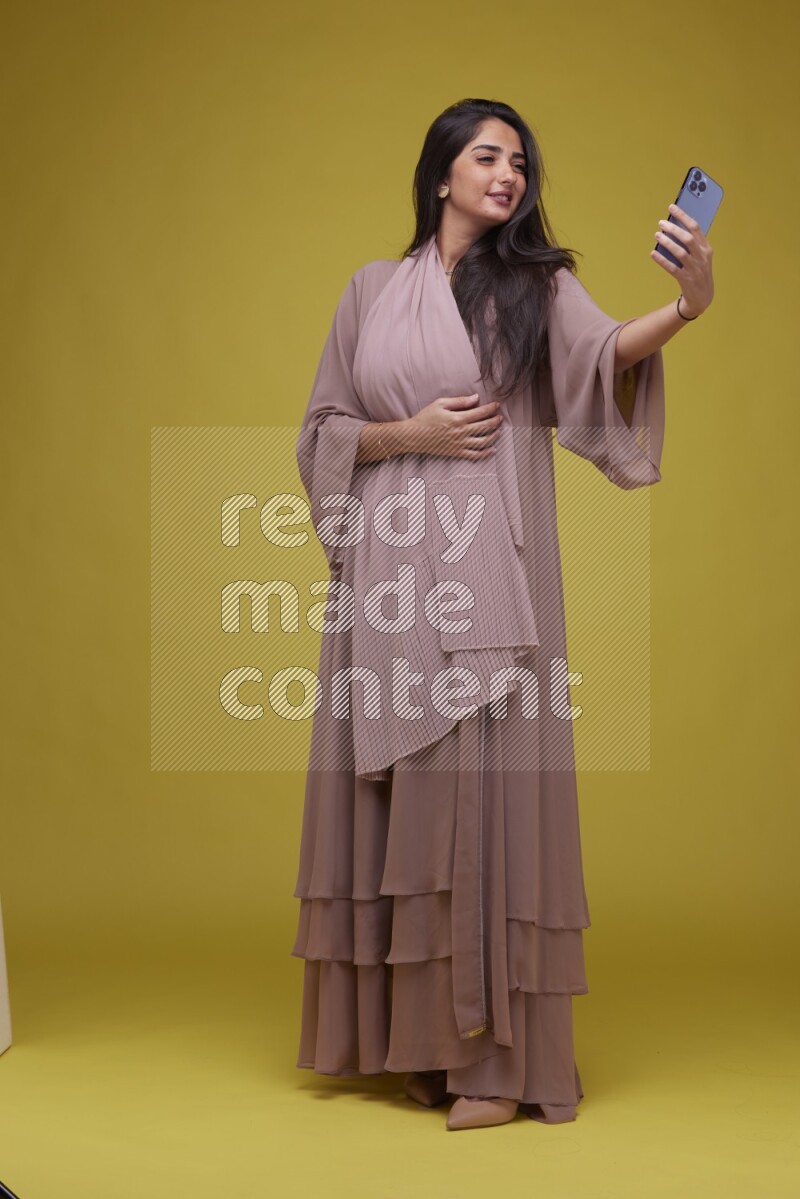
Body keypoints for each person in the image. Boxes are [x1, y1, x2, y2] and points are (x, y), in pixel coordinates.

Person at [289, 97, 715, 1131]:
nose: (507, 175)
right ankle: (417, 1046)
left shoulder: (535, 286)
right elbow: (324, 433)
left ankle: (491, 1059)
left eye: (518, 162)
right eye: (486, 157)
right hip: (386, 582)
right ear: (441, 173)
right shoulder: (368, 292)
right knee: (409, 805)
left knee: (479, 802)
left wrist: (688, 304)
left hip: (489, 579)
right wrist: (409, 432)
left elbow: (603, 356)